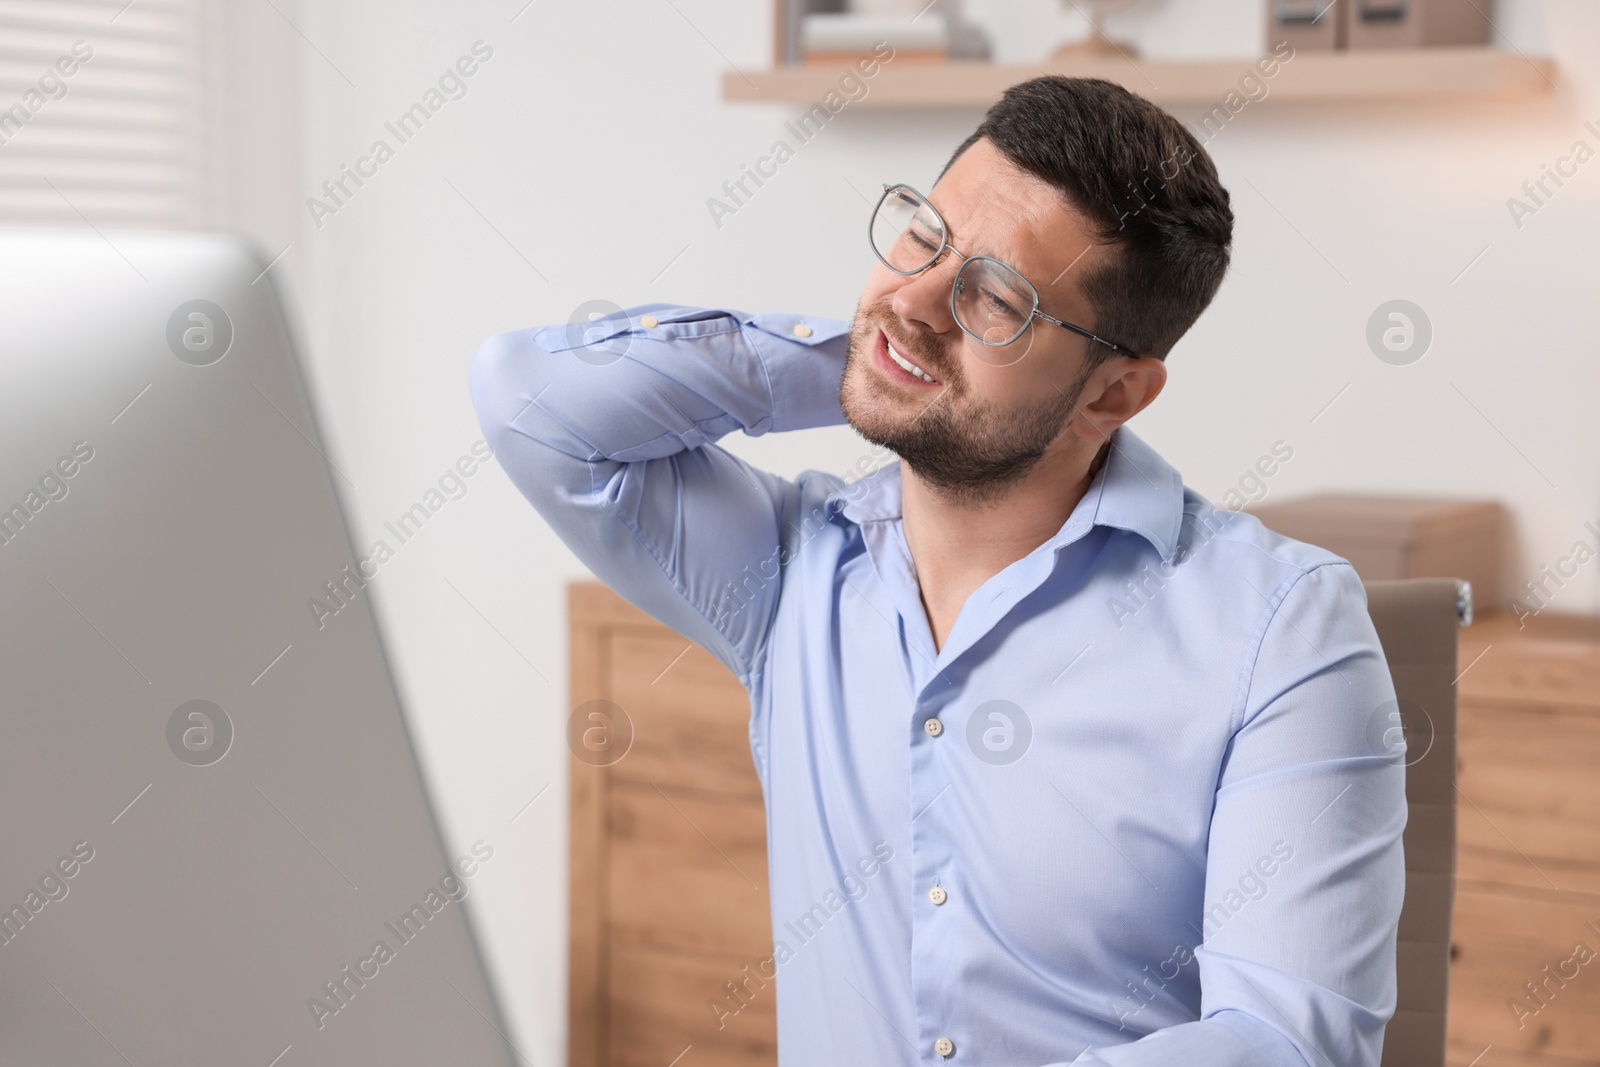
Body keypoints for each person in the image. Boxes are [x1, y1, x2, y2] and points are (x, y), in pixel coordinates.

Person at [469, 75, 1405, 1066]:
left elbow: (1288, 1043)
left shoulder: (1279, 626)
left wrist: (914, 362)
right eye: (923, 236)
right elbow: (529, 399)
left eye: (996, 297)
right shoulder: (789, 573)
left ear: (1113, 391)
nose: (916, 299)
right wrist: (878, 359)